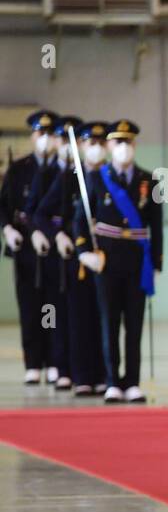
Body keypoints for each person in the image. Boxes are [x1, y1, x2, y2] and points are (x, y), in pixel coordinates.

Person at [73, 119, 162, 404]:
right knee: (109, 322)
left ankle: (132, 382)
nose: (123, 147)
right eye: (118, 142)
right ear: (110, 146)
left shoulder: (149, 181)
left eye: (128, 142)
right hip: (106, 261)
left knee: (134, 324)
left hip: (138, 262)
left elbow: (156, 226)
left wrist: (157, 263)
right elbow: (80, 221)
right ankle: (112, 381)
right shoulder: (97, 178)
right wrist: (84, 251)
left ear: (135, 145)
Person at [35, 119, 109, 395]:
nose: (97, 148)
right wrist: (59, 236)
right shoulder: (69, 178)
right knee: (79, 318)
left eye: (102, 143)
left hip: (106, 259)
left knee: (105, 318)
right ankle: (82, 376)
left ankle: (105, 374)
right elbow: (41, 213)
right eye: (91, 143)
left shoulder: (110, 177)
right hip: (76, 260)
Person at [1, 109, 61, 386]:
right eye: (40, 133)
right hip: (24, 246)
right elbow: (4, 205)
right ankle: (33, 363)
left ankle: (53, 361)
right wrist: (8, 229)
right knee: (29, 305)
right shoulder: (19, 168)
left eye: (50, 134)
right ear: (33, 135)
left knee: (52, 304)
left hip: (51, 246)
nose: (45, 139)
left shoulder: (59, 169)